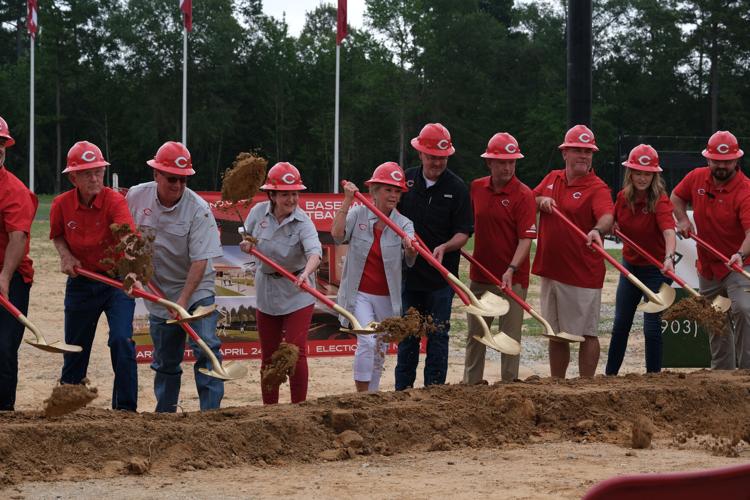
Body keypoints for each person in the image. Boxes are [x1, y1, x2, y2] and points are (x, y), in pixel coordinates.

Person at [126, 141, 224, 412]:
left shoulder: (199, 209)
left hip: (196, 287)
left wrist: (182, 303)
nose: (178, 185)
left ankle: (210, 415)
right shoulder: (136, 197)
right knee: (166, 360)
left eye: (183, 180)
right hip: (159, 290)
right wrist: (134, 273)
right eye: (172, 179)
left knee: (206, 348)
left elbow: (200, 260)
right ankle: (165, 414)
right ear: (156, 174)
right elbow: (126, 237)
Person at [50, 141, 138, 411]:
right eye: (87, 173)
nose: (94, 178)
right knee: (75, 348)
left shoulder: (114, 200)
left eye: (98, 171)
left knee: (122, 340)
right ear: (72, 177)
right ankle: (67, 409)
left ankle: (125, 410)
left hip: (115, 283)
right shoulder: (61, 205)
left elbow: (128, 238)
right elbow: (58, 236)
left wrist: (132, 269)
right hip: (81, 282)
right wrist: (66, 256)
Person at [394, 123, 473, 390]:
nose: (436, 162)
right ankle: (402, 392)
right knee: (408, 336)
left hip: (441, 277)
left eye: (441, 157)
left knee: (438, 336)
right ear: (420, 154)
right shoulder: (405, 181)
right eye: (432, 156)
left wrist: (445, 246)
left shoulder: (458, 188)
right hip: (410, 276)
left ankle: (434, 393)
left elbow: (464, 232)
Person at [533, 124, 614, 378]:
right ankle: (558, 383)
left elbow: (607, 216)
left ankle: (585, 385)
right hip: (551, 270)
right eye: (578, 150)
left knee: (586, 333)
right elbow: (529, 199)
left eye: (588, 151)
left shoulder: (597, 187)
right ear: (564, 153)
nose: (584, 155)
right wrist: (540, 201)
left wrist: (598, 231)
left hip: (583, 273)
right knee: (556, 333)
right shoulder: (552, 178)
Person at [240, 162, 322, 404]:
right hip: (267, 288)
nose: (291, 198)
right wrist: (247, 245)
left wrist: (306, 273)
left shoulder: (303, 222)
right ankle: (270, 410)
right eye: (285, 193)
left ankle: (299, 408)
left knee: (295, 353)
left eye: (295, 193)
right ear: (272, 194)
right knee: (269, 355)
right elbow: (248, 238)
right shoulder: (257, 212)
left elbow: (315, 253)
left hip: (298, 289)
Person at [332, 162, 417, 392]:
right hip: (359, 294)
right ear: (374, 191)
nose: (393, 195)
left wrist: (410, 249)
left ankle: (373, 395)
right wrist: (347, 200)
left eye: (397, 191)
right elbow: (337, 236)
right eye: (388, 189)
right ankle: (361, 396)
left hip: (387, 298)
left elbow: (410, 256)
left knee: (380, 348)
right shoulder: (359, 213)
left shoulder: (404, 224)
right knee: (367, 341)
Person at [671, 130, 750, 369]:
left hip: (739, 264)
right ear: (708, 159)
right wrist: (683, 219)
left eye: (727, 161)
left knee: (744, 310)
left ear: (736, 160)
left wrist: (740, 254)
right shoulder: (696, 178)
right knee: (715, 318)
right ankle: (722, 375)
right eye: (716, 160)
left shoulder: (746, 190)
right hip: (708, 269)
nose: (721, 165)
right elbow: (675, 197)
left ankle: (746, 375)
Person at [464, 133, 536, 384]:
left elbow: (526, 238)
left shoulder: (524, 195)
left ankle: (509, 388)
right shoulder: (476, 188)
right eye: (502, 162)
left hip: (512, 279)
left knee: (509, 337)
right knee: (476, 334)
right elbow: (465, 226)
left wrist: (512, 268)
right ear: (489, 163)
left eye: (512, 162)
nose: (507, 167)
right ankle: (470, 385)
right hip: (481, 276)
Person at [606, 145, 676, 375]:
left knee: (652, 327)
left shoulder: (661, 201)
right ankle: (610, 375)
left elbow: (668, 232)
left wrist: (668, 258)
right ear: (631, 174)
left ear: (654, 175)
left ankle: (653, 377)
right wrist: (612, 226)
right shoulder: (622, 197)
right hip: (630, 266)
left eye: (647, 173)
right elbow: (612, 221)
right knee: (620, 324)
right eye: (638, 173)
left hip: (655, 269)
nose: (643, 178)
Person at [0, 116, 38, 411]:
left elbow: (18, 237)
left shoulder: (14, 191)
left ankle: (4, 417)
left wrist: (4, 276)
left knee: (3, 349)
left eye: (2, 143)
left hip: (10, 278)